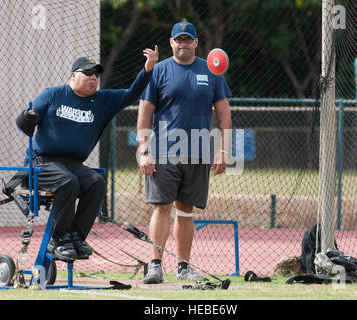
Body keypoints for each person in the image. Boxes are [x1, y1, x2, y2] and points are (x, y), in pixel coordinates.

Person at [14, 46, 158, 261]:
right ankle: (59, 238)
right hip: (41, 163)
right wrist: (28, 117)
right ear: (73, 75)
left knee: (96, 182)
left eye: (96, 74)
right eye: (88, 73)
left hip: (72, 164)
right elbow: (23, 122)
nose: (94, 77)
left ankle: (76, 236)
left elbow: (132, 94)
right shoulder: (53, 94)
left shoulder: (102, 101)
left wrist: (148, 69)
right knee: (68, 182)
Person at [137, 22, 232, 284]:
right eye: (178, 39)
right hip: (164, 152)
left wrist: (223, 149)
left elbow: (224, 117)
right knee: (161, 207)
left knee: (186, 210)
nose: (183, 43)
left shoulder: (211, 71)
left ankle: (183, 267)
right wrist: (144, 151)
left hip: (199, 152)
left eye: (187, 39)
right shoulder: (159, 71)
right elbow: (144, 114)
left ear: (195, 42)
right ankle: (155, 266)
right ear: (171, 43)